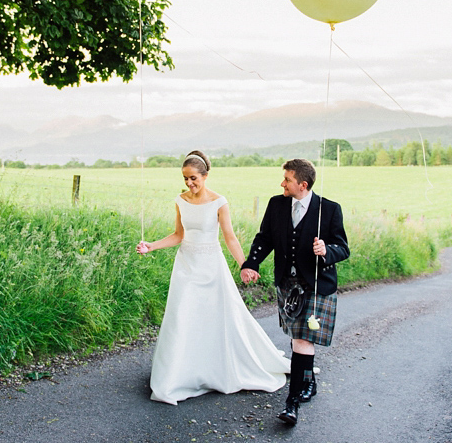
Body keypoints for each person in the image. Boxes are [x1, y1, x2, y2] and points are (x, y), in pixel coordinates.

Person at [137, 150, 289, 405]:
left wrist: (245, 264)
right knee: (183, 315)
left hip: (212, 265)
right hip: (186, 265)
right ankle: (178, 374)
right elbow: (178, 235)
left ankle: (215, 368)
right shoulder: (180, 200)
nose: (189, 183)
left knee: (217, 315)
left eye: (193, 178)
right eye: (185, 178)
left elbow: (229, 237)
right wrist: (151, 246)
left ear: (205, 176)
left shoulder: (219, 202)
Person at [240, 158, 350, 426]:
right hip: (287, 284)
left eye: (287, 179)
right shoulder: (276, 204)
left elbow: (343, 248)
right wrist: (251, 263)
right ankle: (308, 380)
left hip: (316, 285)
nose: (282, 183)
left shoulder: (329, 209)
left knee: (303, 340)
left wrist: (326, 251)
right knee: (295, 337)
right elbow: (264, 237)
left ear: (302, 184)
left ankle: (292, 403)